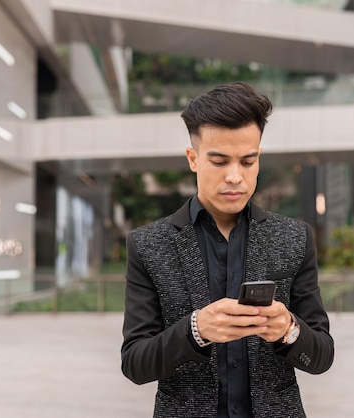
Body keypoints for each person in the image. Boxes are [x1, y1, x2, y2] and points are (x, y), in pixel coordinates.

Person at [121, 82, 334, 418]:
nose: (235, 177)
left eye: (247, 162)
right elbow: (135, 363)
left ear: (258, 158)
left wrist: (288, 329)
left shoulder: (294, 238)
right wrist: (196, 330)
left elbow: (322, 356)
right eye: (219, 161)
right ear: (193, 159)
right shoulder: (149, 244)